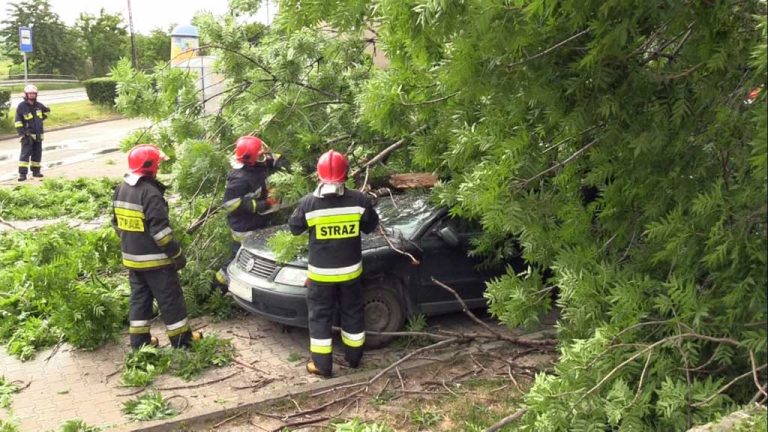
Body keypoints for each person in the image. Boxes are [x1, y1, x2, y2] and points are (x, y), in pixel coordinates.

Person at [288, 149, 379, 377]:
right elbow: (370, 226)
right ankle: (354, 359)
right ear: (345, 175)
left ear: (319, 176)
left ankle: (322, 365)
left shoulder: (308, 203)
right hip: (351, 274)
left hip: (320, 277)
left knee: (320, 318)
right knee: (353, 313)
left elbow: (294, 228)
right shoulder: (359, 200)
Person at [112, 144, 201, 349]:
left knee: (139, 301)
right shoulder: (150, 193)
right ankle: (182, 341)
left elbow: (116, 223)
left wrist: (133, 242)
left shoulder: (121, 188)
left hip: (132, 260)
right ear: (149, 166)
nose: (159, 167)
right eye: (157, 164)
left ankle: (140, 343)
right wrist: (177, 255)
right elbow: (161, 233)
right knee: (171, 301)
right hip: (157, 263)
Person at [212, 135, 290, 293]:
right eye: (260, 154)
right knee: (240, 258)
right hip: (245, 227)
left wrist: (281, 162)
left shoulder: (257, 165)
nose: (264, 156)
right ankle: (217, 289)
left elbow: (271, 159)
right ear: (252, 159)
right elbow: (230, 204)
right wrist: (264, 204)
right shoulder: (240, 179)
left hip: (260, 222)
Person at [14, 84, 50, 181]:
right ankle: (22, 174)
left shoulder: (39, 105)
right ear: (26, 94)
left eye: (33, 94)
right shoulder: (22, 106)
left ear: (36, 94)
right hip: (27, 136)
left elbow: (45, 113)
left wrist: (46, 111)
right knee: (25, 155)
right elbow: (18, 122)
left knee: (37, 154)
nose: (32, 95)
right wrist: (22, 134)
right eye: (30, 94)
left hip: (38, 135)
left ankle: (36, 171)